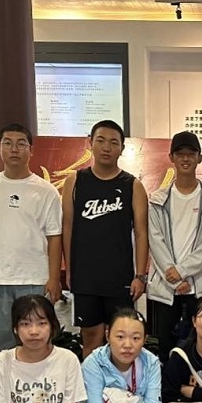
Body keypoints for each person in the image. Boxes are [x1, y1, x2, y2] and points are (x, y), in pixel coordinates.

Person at [0, 124, 62, 359]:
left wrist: (53, 278)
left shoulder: (47, 191)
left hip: (35, 279)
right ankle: (2, 382)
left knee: (36, 339)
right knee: (2, 343)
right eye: (7, 143)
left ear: (31, 150)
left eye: (21, 143)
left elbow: (54, 237)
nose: (14, 149)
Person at [62, 120, 149, 359]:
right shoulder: (75, 181)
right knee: (90, 338)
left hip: (119, 277)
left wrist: (140, 275)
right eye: (100, 141)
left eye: (113, 142)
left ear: (122, 148)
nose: (106, 147)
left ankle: (119, 384)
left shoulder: (132, 185)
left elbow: (142, 233)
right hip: (86, 276)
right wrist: (69, 268)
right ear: (90, 143)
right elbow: (67, 227)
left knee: (121, 339)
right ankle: (91, 384)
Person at [147, 131, 202, 362]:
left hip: (200, 285)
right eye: (180, 154)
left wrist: (182, 271)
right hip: (166, 286)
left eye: (191, 153)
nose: (186, 158)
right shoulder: (157, 199)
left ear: (200, 158)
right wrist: (175, 277)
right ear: (171, 157)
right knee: (165, 349)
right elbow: (155, 241)